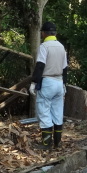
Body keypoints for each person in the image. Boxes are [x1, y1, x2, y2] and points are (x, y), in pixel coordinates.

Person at [30, 22, 68, 150]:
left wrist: (34, 82)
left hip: (47, 82)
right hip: (59, 82)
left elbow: (40, 65)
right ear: (55, 33)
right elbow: (65, 68)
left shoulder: (44, 46)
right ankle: (57, 143)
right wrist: (64, 84)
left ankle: (46, 144)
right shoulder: (61, 47)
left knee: (44, 111)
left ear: (44, 33)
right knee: (57, 113)